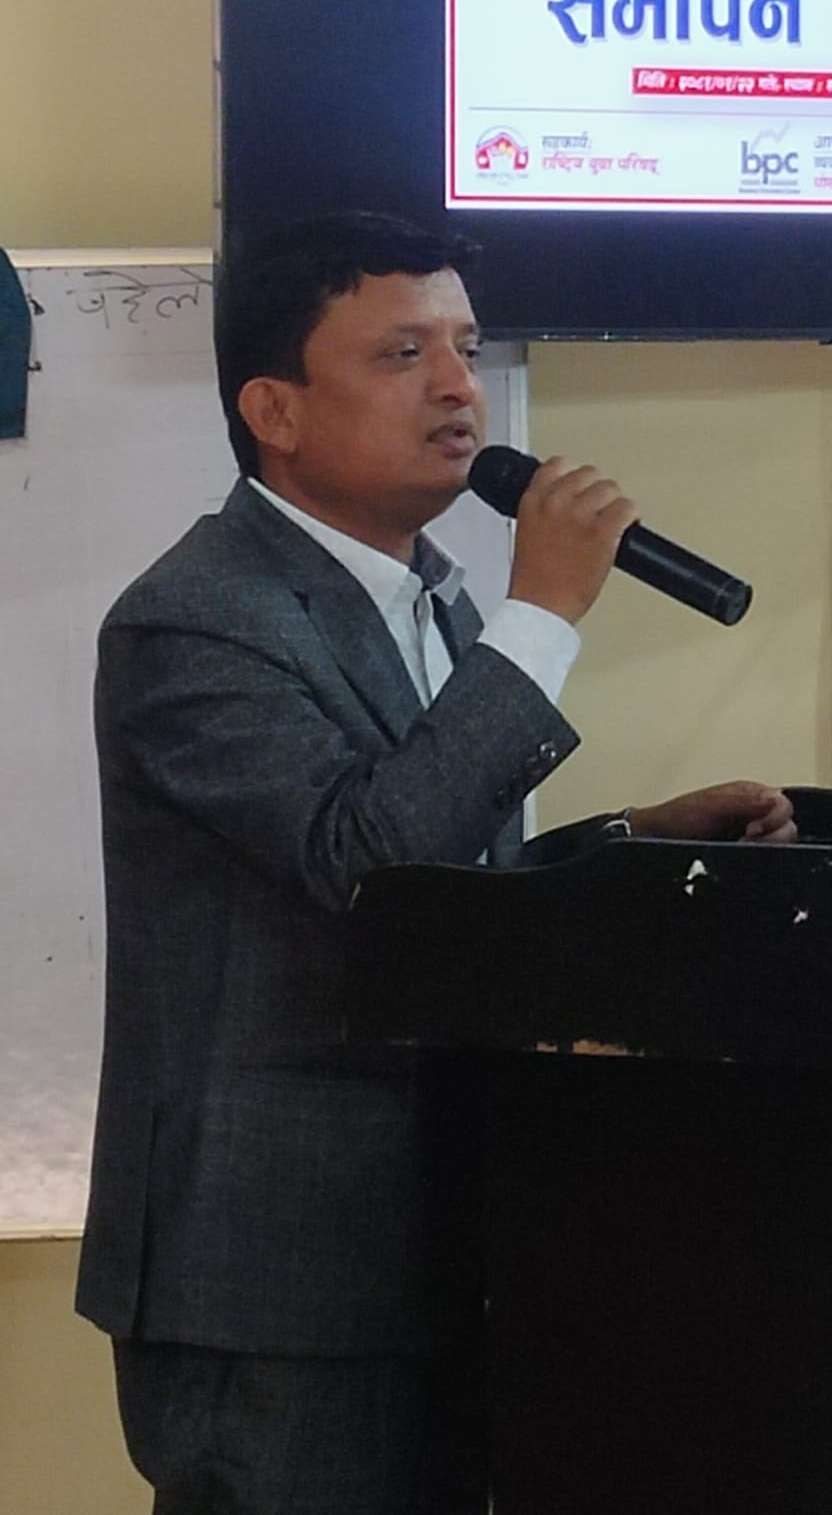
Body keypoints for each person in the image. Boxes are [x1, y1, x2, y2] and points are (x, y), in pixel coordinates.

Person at [75, 211, 794, 1514]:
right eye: (403, 354)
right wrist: (547, 613)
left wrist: (632, 841)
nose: (461, 388)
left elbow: (456, 907)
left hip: (448, 1237)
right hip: (273, 1278)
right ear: (275, 411)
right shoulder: (194, 619)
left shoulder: (437, 599)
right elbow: (369, 869)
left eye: (465, 347)